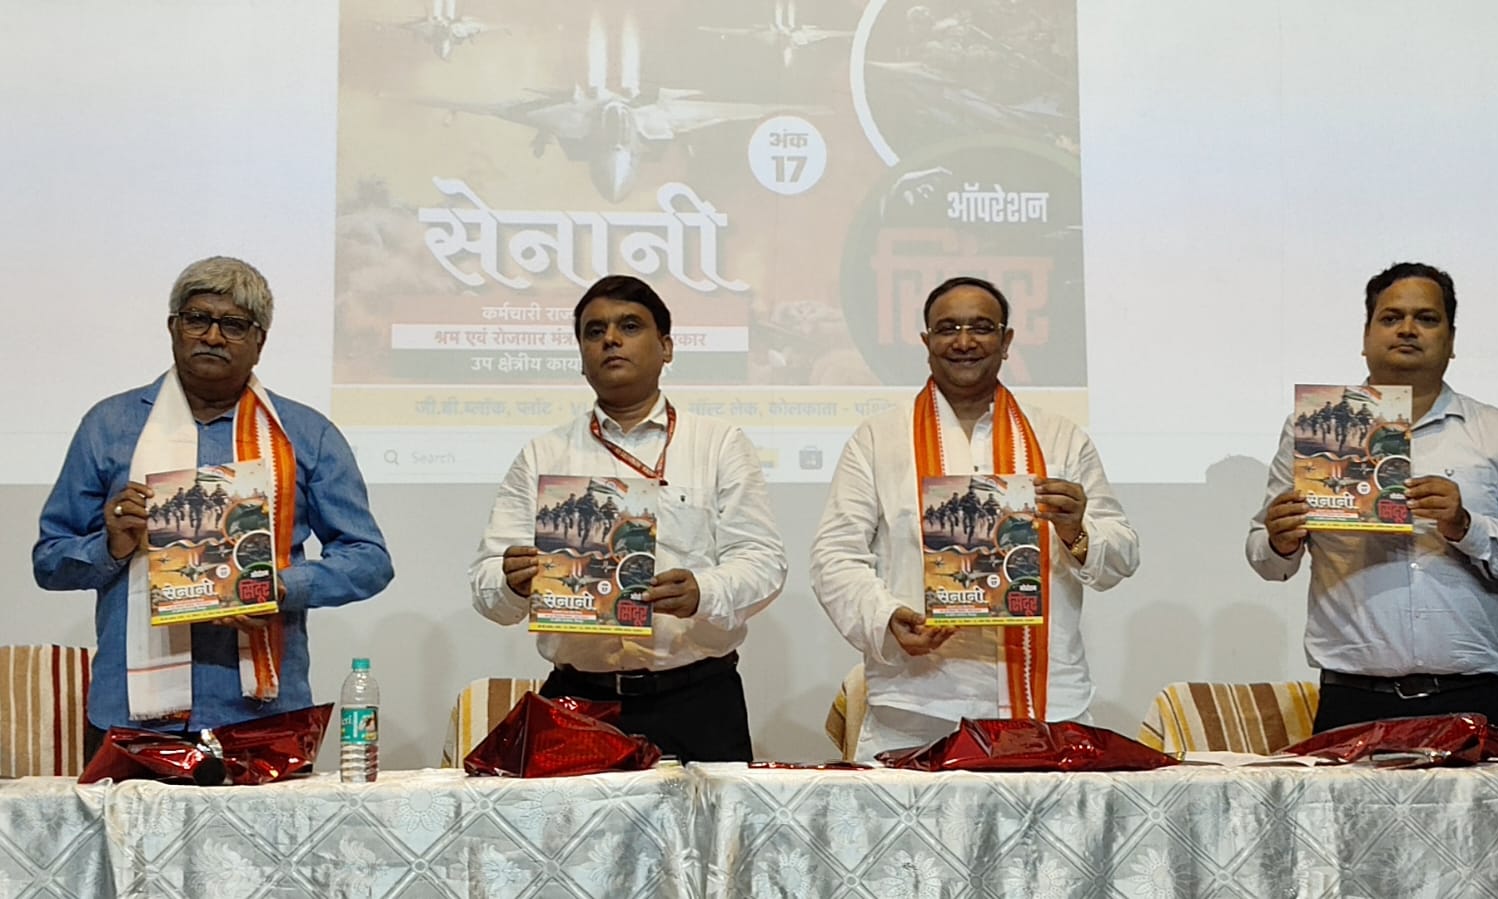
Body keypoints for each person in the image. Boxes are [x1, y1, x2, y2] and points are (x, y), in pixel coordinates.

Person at [33, 256, 394, 764]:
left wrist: (278, 587)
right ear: (173, 328)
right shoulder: (109, 426)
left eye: (234, 325)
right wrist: (111, 546)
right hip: (133, 714)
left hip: (262, 714)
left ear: (259, 342)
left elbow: (370, 560)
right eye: (197, 319)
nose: (212, 336)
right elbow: (49, 561)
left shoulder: (304, 433)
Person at [811, 276, 1139, 759]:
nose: (964, 342)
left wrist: (1076, 532)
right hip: (919, 704)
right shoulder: (879, 439)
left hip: (1047, 703)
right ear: (926, 342)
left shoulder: (1060, 438)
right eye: (948, 329)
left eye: (981, 328)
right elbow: (834, 556)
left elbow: (1122, 553)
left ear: (1006, 342)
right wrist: (886, 617)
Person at [470, 274, 786, 762]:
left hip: (699, 699)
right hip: (579, 701)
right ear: (581, 357)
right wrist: (511, 581)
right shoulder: (543, 455)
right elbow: (486, 586)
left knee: (709, 818)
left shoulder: (718, 444)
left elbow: (764, 562)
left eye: (630, 326)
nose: (611, 339)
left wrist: (704, 592)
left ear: (666, 347)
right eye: (594, 332)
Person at [1247, 262, 1498, 737]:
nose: (1408, 329)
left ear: (1451, 340)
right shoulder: (1316, 428)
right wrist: (1280, 540)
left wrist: (1467, 526)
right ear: (1366, 336)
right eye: (1391, 317)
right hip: (1353, 700)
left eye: (1427, 318)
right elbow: (1264, 557)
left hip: (1473, 696)